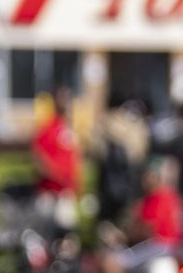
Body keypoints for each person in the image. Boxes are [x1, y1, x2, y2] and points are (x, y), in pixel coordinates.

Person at [92, 97, 150, 232]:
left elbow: (94, 152)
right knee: (125, 226)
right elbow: (140, 155)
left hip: (106, 187)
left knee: (106, 228)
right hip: (129, 188)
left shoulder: (102, 125)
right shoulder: (134, 126)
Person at [30, 87, 80, 238]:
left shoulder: (69, 128)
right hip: (50, 193)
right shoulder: (48, 128)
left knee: (67, 237)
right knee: (46, 235)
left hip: (66, 193)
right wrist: (57, 175)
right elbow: (38, 159)